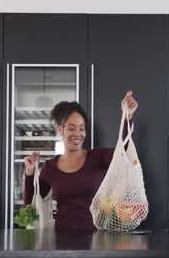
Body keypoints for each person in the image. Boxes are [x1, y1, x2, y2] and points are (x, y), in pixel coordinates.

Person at [23, 91, 138, 232]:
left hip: (97, 243)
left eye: (82, 129)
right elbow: (30, 207)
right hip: (61, 244)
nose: (78, 134)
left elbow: (124, 152)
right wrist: (29, 173)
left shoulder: (97, 157)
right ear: (61, 130)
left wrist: (127, 117)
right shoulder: (50, 167)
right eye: (72, 128)